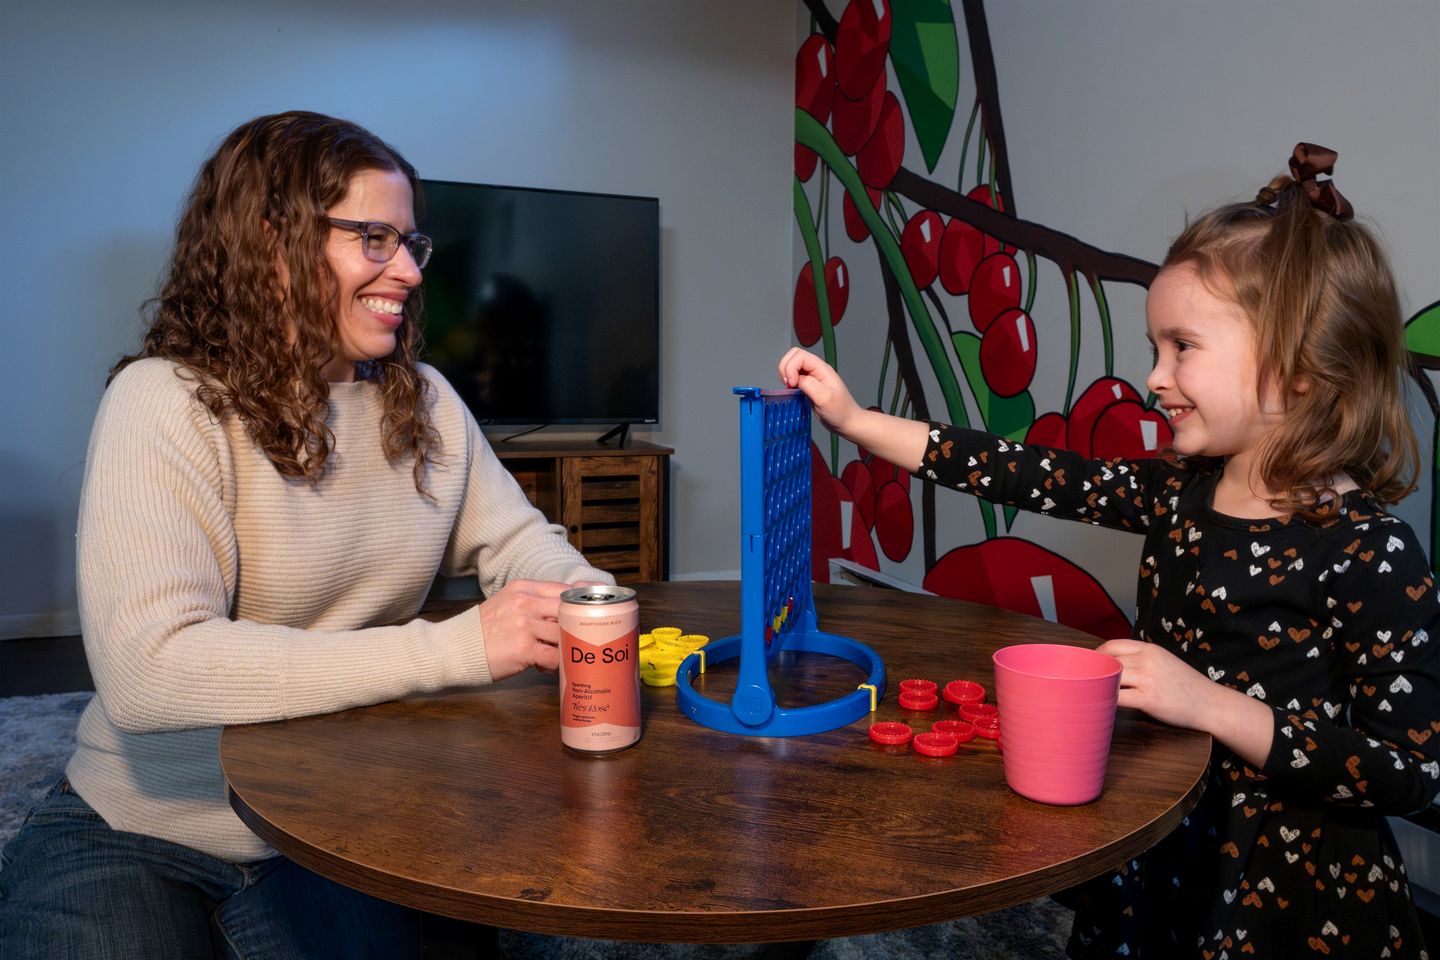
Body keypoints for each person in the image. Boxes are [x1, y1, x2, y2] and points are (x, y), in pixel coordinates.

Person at [779, 143, 1440, 959]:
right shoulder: (1180, 492)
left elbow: (1413, 774)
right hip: (1163, 834)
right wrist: (856, 421)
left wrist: (1208, 704)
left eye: (1182, 347)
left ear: (1301, 365)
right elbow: (1022, 471)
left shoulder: (1371, 550)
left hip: (1284, 893)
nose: (1154, 378)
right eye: (1155, 348)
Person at [0, 111, 612, 958]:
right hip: (143, 821)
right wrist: (457, 648)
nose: (409, 271)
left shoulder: (427, 400)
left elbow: (519, 544)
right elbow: (149, 671)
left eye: (410, 243)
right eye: (373, 238)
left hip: (341, 813)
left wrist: (582, 600)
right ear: (272, 241)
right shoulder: (163, 400)